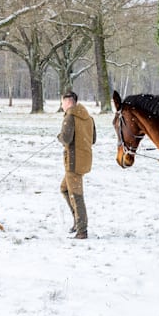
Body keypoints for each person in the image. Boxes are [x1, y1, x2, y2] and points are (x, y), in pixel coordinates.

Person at [58, 91, 96, 239]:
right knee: (64, 188)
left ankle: (82, 230)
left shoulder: (70, 117)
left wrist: (59, 137)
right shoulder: (88, 117)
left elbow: (66, 139)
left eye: (62, 102)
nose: (62, 105)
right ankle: (76, 220)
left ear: (68, 101)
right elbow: (93, 139)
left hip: (73, 162)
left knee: (76, 195)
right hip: (84, 160)